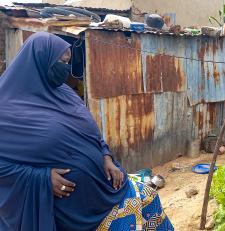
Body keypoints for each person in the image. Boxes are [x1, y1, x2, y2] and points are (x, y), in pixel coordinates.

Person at [0, 32, 174, 231]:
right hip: (70, 210)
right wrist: (41, 178)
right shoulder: (5, 109)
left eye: (68, 61)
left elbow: (89, 132)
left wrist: (106, 156)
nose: (65, 68)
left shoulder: (64, 93)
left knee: (149, 197)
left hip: (105, 189)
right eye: (61, 62)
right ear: (40, 62)